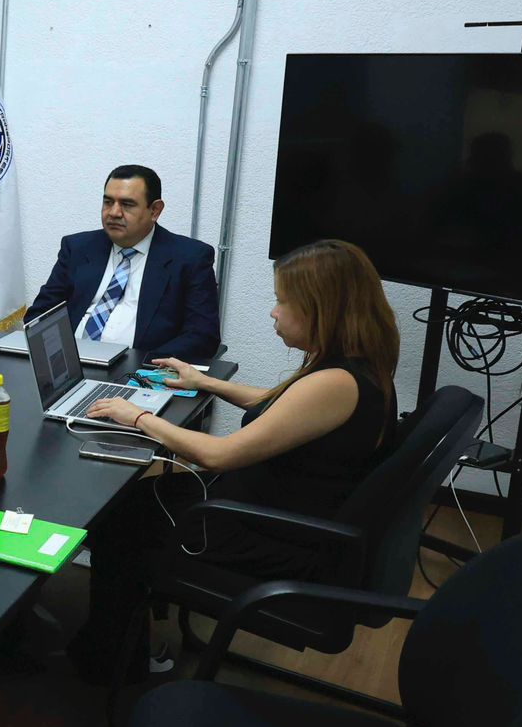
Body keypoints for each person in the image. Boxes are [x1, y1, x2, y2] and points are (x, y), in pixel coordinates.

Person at [69, 238, 400, 680]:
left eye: (283, 301)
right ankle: (120, 640)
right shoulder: (356, 365)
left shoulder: (335, 383)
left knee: (116, 519)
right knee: (134, 502)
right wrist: (205, 382)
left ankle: (113, 662)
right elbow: (283, 406)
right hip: (268, 508)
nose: (274, 312)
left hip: (267, 532)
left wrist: (139, 416)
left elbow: (218, 455)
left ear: (321, 309)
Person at [27, 164, 220, 361]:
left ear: (155, 210)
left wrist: (139, 365)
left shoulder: (189, 258)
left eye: (127, 204)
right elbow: (39, 316)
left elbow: (202, 337)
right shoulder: (78, 248)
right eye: (108, 202)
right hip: (71, 364)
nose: (114, 212)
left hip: (140, 370)